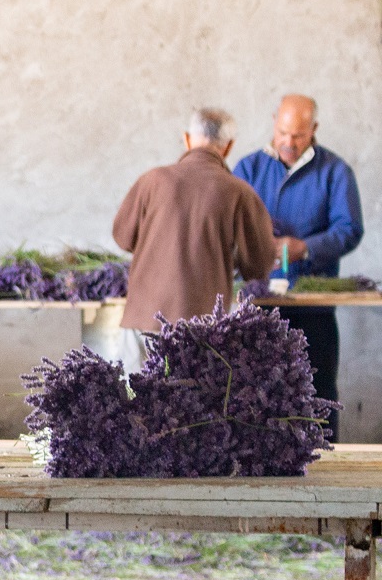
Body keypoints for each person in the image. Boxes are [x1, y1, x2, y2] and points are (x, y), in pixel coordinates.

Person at [234, 94, 364, 439]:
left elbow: (349, 230)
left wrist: (305, 247)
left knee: (317, 394)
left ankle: (325, 471)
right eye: (283, 132)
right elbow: (228, 226)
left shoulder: (335, 172)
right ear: (274, 122)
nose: (289, 143)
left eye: (299, 136)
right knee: (254, 396)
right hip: (257, 307)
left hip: (314, 308)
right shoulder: (248, 169)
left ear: (314, 130)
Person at [113, 107, 276, 373]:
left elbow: (122, 237)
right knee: (194, 410)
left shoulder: (153, 180)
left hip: (142, 319)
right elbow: (258, 265)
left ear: (187, 139)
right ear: (228, 147)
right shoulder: (239, 192)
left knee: (136, 406)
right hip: (203, 328)